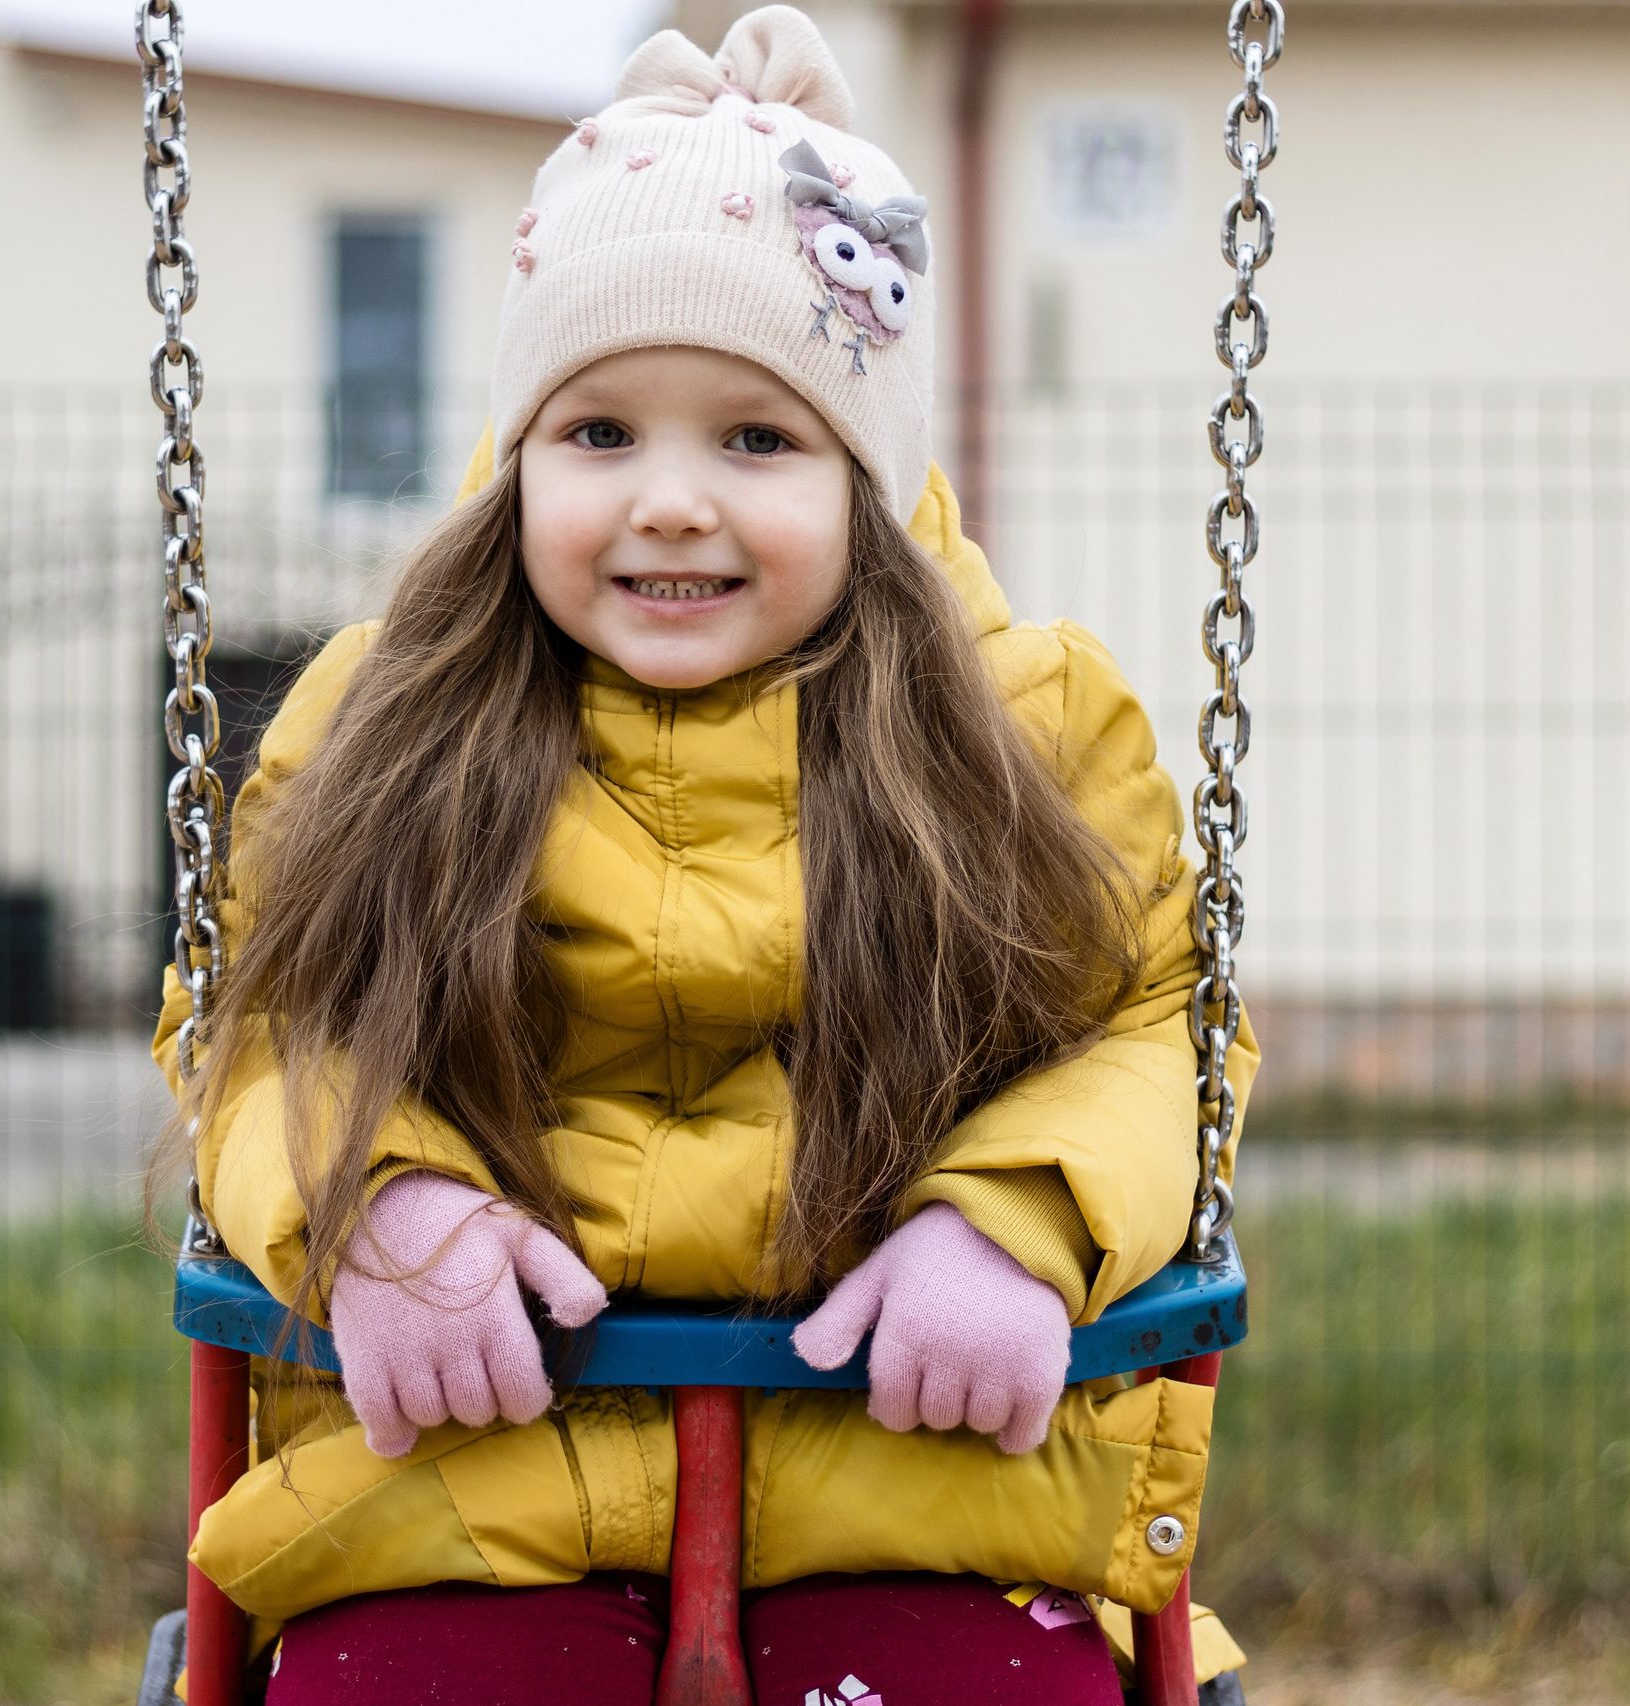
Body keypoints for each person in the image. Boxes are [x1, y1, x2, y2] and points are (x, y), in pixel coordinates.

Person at [148, 9, 1257, 1702]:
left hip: (918, 1483)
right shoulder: (386, 722)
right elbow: (256, 1025)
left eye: (756, 437)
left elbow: (1162, 1025)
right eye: (600, 434)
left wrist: (1018, 1217)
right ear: (522, 456)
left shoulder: (1026, 731)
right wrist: (371, 1202)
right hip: (475, 1477)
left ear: (870, 478)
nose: (670, 500)